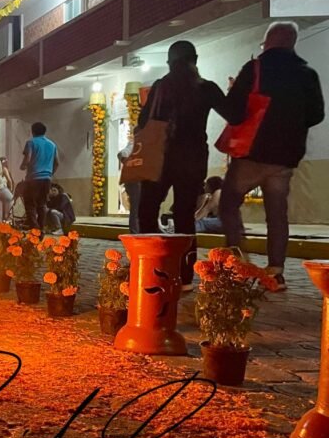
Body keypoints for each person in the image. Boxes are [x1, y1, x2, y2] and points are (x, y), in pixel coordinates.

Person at [220, 22, 325, 291]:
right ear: (292, 43)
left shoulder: (254, 69)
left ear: (267, 42)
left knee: (229, 202)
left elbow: (234, 110)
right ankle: (276, 272)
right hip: (285, 157)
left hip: (253, 152)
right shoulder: (307, 73)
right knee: (277, 213)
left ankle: (238, 262)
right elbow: (316, 114)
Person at [136, 40, 234, 291]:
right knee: (184, 216)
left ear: (170, 63)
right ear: (196, 60)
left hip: (160, 157)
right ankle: (186, 275)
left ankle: (153, 265)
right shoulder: (206, 88)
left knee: (147, 210)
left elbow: (143, 121)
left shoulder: (159, 88)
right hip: (192, 159)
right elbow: (233, 114)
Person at [20, 122, 58, 231]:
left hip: (33, 179)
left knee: (30, 204)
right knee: (42, 205)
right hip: (46, 179)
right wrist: (50, 173)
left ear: (33, 131)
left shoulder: (31, 142)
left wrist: (23, 166)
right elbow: (57, 162)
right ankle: (41, 230)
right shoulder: (52, 144)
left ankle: (34, 229)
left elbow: (28, 158)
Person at [117, 140, 141, 234]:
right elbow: (122, 154)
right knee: (136, 208)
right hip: (135, 181)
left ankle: (139, 232)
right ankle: (135, 233)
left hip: (139, 180)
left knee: (139, 208)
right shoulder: (135, 143)